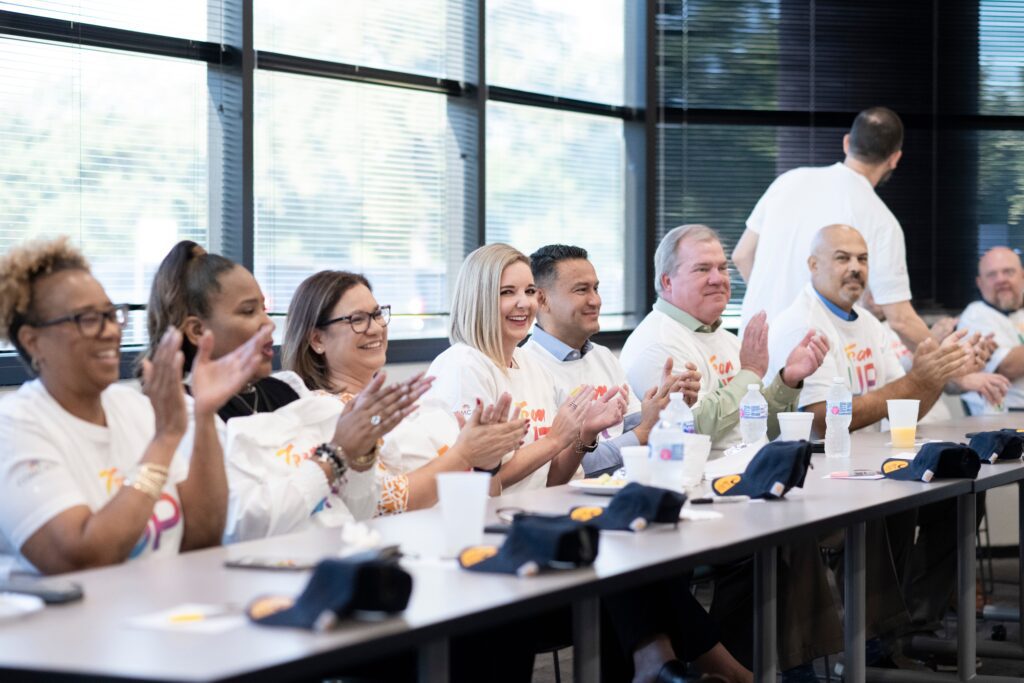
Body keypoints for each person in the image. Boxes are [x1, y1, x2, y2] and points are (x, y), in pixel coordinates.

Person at [0, 237, 265, 574]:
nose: (110, 331)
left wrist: (204, 413)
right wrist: (165, 440)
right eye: (86, 318)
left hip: (167, 614)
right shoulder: (15, 427)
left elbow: (203, 537)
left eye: (111, 315)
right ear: (32, 341)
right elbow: (79, 558)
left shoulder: (133, 407)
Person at [146, 241, 427, 543]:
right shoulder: (182, 413)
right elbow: (239, 526)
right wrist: (334, 454)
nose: (267, 324)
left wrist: (361, 453)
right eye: (248, 311)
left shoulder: (286, 390)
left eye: (264, 309)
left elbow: (358, 511)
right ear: (199, 331)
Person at [281, 269, 528, 513]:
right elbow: (382, 503)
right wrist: (464, 455)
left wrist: (487, 462)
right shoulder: (323, 413)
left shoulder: (412, 405)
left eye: (377, 314)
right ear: (317, 340)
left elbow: (486, 495)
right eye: (357, 319)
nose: (376, 328)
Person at [426, 243, 628, 493]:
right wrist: (554, 440)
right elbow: (478, 484)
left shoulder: (532, 366)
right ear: (479, 298)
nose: (524, 303)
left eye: (529, 291)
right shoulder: (463, 365)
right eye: (507, 292)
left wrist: (584, 435)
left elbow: (553, 480)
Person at [733, 106, 932, 348]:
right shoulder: (881, 219)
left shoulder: (788, 181)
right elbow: (900, 320)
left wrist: (776, 298)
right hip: (815, 361)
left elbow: (741, 256)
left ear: (847, 143)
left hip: (754, 353)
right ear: (895, 158)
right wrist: (957, 371)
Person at [619, 224, 830, 451]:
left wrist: (788, 380)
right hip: (699, 480)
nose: (718, 279)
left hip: (744, 472)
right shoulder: (657, 343)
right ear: (667, 281)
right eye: (702, 269)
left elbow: (758, 429)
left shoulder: (725, 338)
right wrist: (750, 372)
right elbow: (691, 431)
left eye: (722, 268)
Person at [766, 224, 970, 435]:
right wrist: (916, 379)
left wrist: (937, 373)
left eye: (862, 259)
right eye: (842, 258)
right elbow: (823, 422)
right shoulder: (802, 325)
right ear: (814, 265)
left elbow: (904, 411)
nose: (855, 268)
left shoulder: (869, 322)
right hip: (815, 464)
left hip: (867, 461)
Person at [522, 244, 701, 476]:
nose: (595, 300)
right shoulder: (529, 367)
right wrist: (644, 432)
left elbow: (629, 426)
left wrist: (668, 406)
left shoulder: (602, 355)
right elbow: (568, 468)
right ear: (542, 300)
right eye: (581, 290)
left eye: (595, 288)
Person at [956, 246, 1024, 414]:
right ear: (980, 283)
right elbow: (1007, 366)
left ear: (1022, 275)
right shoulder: (975, 315)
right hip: (1004, 416)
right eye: (992, 275)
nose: (1001, 280)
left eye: (1008, 272)